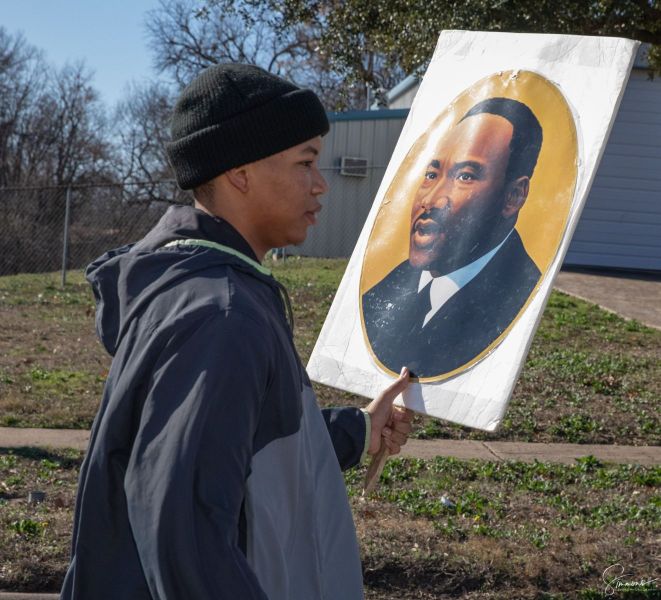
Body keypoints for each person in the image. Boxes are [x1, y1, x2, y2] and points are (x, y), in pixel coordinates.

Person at [61, 64, 413, 600]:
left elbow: (244, 444)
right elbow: (184, 529)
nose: (321, 183)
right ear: (240, 173)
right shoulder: (222, 316)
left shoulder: (209, 291)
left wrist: (360, 430)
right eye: (306, 162)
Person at [362, 98, 543, 379]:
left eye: (465, 176)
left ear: (513, 197)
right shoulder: (379, 294)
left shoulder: (519, 297)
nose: (431, 200)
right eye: (431, 174)